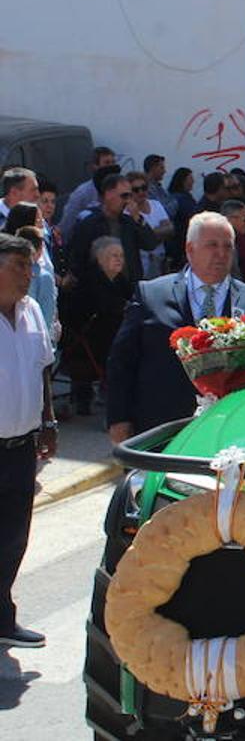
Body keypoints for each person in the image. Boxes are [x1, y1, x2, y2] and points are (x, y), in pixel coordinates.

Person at [105, 212, 245, 441]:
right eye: (212, 245)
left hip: (230, 433)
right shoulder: (151, 295)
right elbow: (121, 362)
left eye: (228, 246)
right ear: (190, 249)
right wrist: (118, 420)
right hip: (162, 430)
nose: (221, 254)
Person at [0, 233, 57, 649]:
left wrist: (49, 421)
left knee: (14, 537)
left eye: (30, 265)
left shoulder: (33, 310)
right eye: (19, 266)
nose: (28, 274)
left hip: (21, 447)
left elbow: (43, 369)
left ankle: (3, 617)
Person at [61, 237, 133, 414]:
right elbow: (103, 307)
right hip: (87, 338)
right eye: (113, 255)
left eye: (121, 256)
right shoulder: (90, 279)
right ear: (100, 259)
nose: (119, 259)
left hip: (110, 333)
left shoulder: (119, 279)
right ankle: (86, 398)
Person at [67, 173, 159, 286]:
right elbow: (77, 260)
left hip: (129, 288)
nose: (128, 201)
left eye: (130, 196)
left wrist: (138, 219)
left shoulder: (129, 222)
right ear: (108, 195)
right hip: (100, 291)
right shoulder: (89, 224)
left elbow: (150, 244)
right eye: (124, 196)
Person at [57, 146, 118, 239]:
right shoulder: (82, 193)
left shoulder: (120, 188)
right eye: (107, 163)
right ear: (95, 166)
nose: (111, 166)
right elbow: (67, 224)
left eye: (113, 162)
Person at [126, 171, 174, 279]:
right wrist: (158, 232)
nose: (141, 192)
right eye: (136, 190)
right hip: (141, 268)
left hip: (159, 263)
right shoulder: (126, 212)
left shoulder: (155, 205)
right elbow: (137, 238)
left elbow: (170, 229)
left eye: (144, 188)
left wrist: (148, 233)